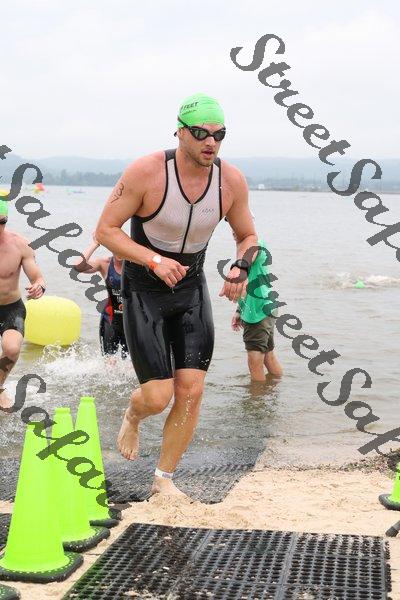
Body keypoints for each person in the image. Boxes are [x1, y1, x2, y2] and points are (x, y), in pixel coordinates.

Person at [95, 93, 257, 496]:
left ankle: (163, 480)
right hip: (144, 289)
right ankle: (133, 416)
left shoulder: (231, 181)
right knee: (157, 396)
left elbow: (247, 236)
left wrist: (242, 265)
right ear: (180, 132)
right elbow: (106, 231)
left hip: (190, 290)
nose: (210, 142)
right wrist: (153, 260)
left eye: (219, 134)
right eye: (200, 133)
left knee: (191, 391)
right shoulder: (147, 172)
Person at [0, 199, 46, 409]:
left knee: (11, 349)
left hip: (11, 308)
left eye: (1, 222)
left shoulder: (20, 245)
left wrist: (39, 286)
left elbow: (37, 277)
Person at [230, 225, 283, 381]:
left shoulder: (255, 246)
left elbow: (249, 260)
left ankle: (257, 396)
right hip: (267, 306)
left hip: (257, 311)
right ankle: (277, 388)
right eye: (233, 227)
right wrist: (239, 310)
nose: (234, 231)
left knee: (255, 363)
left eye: (238, 225)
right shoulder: (246, 249)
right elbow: (247, 284)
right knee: (268, 356)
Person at [74, 234, 128, 358]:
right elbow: (78, 266)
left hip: (131, 321)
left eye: (122, 248)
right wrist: (95, 244)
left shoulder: (136, 266)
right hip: (110, 318)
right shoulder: (105, 264)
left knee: (132, 364)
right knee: (109, 362)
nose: (119, 251)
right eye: (115, 247)